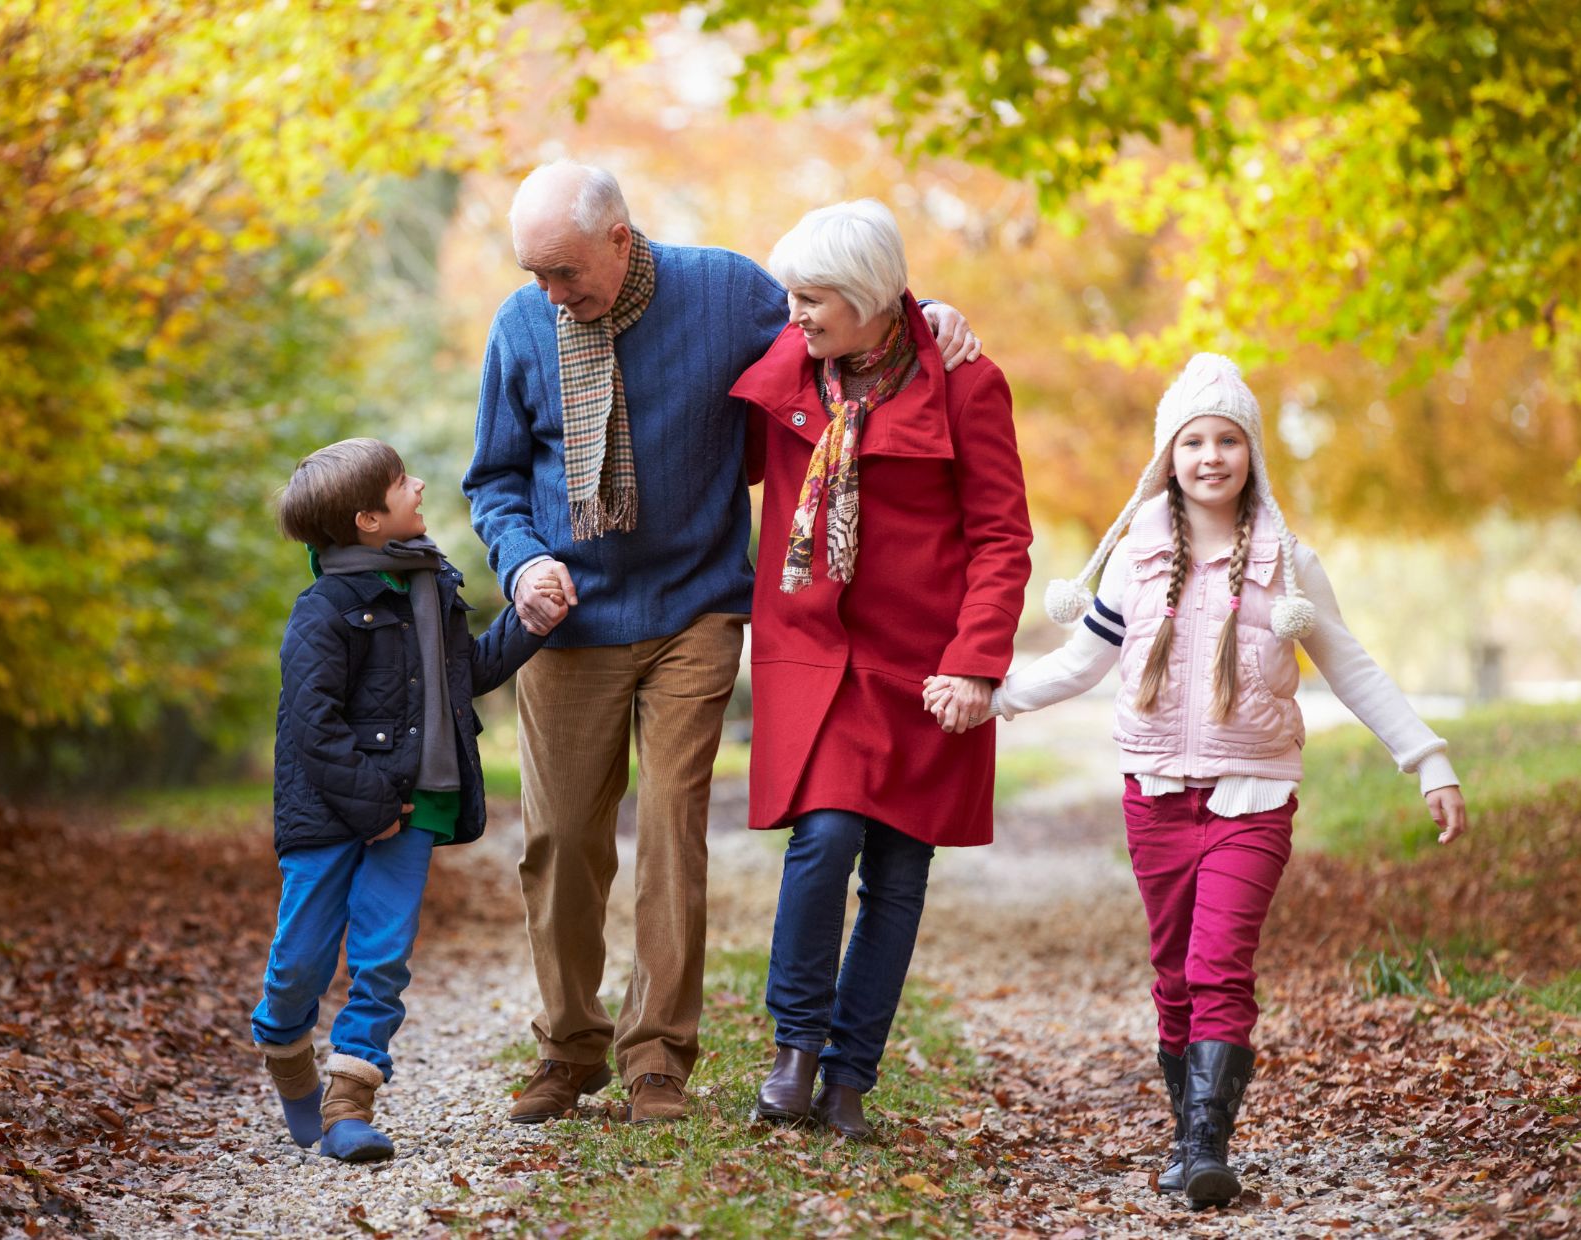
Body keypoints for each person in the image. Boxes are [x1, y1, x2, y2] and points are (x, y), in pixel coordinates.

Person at [464, 161, 982, 1125]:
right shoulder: (522, 328)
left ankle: (657, 1057)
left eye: (566, 273)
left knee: (670, 823)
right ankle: (569, 1046)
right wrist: (522, 558)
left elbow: (847, 325)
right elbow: (492, 480)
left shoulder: (728, 291)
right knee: (563, 838)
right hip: (567, 616)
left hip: (697, 605)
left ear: (621, 239)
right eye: (534, 272)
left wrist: (928, 312)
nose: (550, 293)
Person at [968, 353, 1470, 1206]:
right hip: (1156, 794)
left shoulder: (1288, 563)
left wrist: (1428, 759)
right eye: (1193, 440)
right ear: (1168, 455)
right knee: (1173, 971)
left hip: (1254, 796)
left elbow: (1353, 668)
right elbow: (1081, 663)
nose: (1210, 456)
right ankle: (1185, 1131)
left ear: (1252, 455)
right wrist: (992, 697)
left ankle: (1207, 1146)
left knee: (1219, 966)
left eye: (1228, 440)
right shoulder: (1135, 558)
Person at [732, 200, 1033, 1139]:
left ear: (869, 301)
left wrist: (977, 663)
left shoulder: (968, 384)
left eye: (816, 298)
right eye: (792, 294)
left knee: (900, 872)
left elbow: (1000, 537)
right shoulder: (788, 362)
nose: (796, 314)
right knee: (823, 841)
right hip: (815, 655)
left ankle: (850, 1081)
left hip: (925, 665)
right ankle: (795, 1050)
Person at [252, 438, 562, 1162]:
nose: (419, 485)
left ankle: (350, 1103)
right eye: (400, 483)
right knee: (301, 958)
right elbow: (313, 723)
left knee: (383, 955)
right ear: (367, 519)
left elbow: (464, 676)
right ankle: (286, 1050)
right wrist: (372, 802)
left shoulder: (432, 588)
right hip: (332, 811)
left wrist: (530, 623)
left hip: (415, 804)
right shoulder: (324, 609)